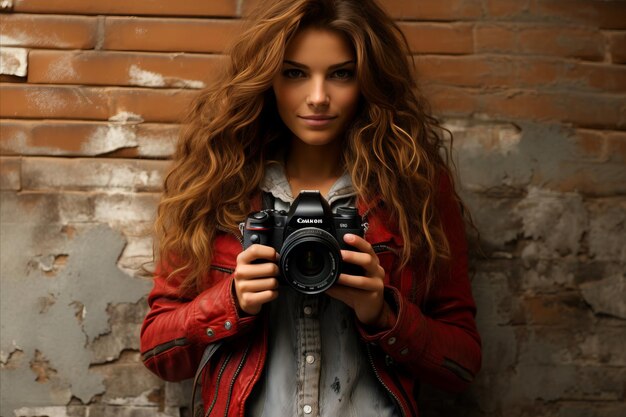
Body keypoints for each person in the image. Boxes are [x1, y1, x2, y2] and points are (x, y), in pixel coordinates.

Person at [140, 0, 481, 416]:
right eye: (295, 73)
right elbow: (158, 350)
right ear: (267, 79)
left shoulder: (415, 189)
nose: (318, 97)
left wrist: (382, 311)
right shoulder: (218, 186)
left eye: (341, 74)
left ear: (368, 80)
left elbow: (462, 365)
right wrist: (231, 301)